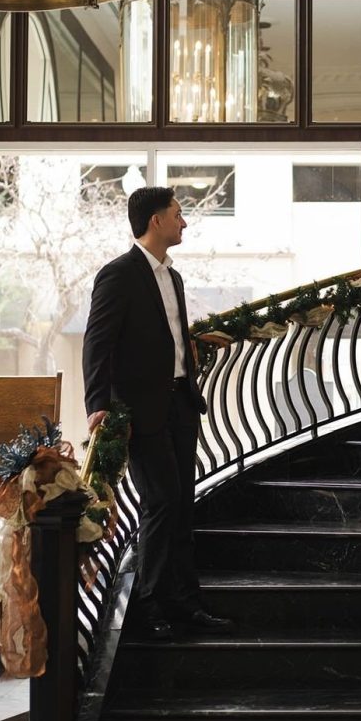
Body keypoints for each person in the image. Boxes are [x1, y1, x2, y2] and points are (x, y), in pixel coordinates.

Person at [83, 186, 234, 639]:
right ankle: (146, 608)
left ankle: (186, 603)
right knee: (162, 502)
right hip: (140, 410)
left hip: (179, 404)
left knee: (181, 505)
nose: (184, 222)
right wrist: (98, 406)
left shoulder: (175, 276)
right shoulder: (118, 274)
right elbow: (97, 343)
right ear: (155, 221)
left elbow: (170, 336)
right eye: (178, 214)